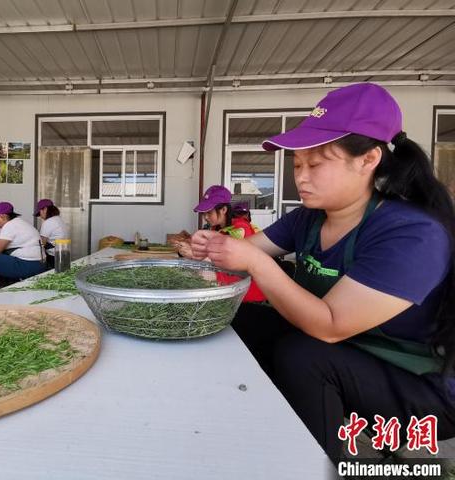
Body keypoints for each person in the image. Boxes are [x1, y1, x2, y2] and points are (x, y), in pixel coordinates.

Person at [191, 83, 455, 464]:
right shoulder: (309, 218)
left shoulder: (412, 233)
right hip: (350, 351)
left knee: (303, 355)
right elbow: (246, 251)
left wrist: (256, 264)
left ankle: (312, 465)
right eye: (297, 164)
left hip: (421, 389)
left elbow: (330, 325)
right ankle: (244, 418)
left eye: (316, 164)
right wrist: (211, 248)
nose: (301, 177)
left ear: (368, 160)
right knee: (240, 317)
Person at [178, 185, 266, 302]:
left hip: (246, 289)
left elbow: (233, 261)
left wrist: (195, 254)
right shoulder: (216, 228)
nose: (205, 217)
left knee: (202, 277)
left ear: (223, 210)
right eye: (204, 214)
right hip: (229, 281)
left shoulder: (240, 228)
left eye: (209, 213)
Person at [0, 202, 45, 291]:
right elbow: (2, 244)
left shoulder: (9, 226)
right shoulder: (19, 222)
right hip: (39, 264)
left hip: (28, 265)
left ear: (1, 216)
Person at [34, 198, 70, 269]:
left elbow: (42, 244)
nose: (40, 216)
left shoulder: (48, 222)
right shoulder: (58, 219)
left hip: (54, 257)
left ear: (45, 209)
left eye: (40, 212)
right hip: (64, 254)